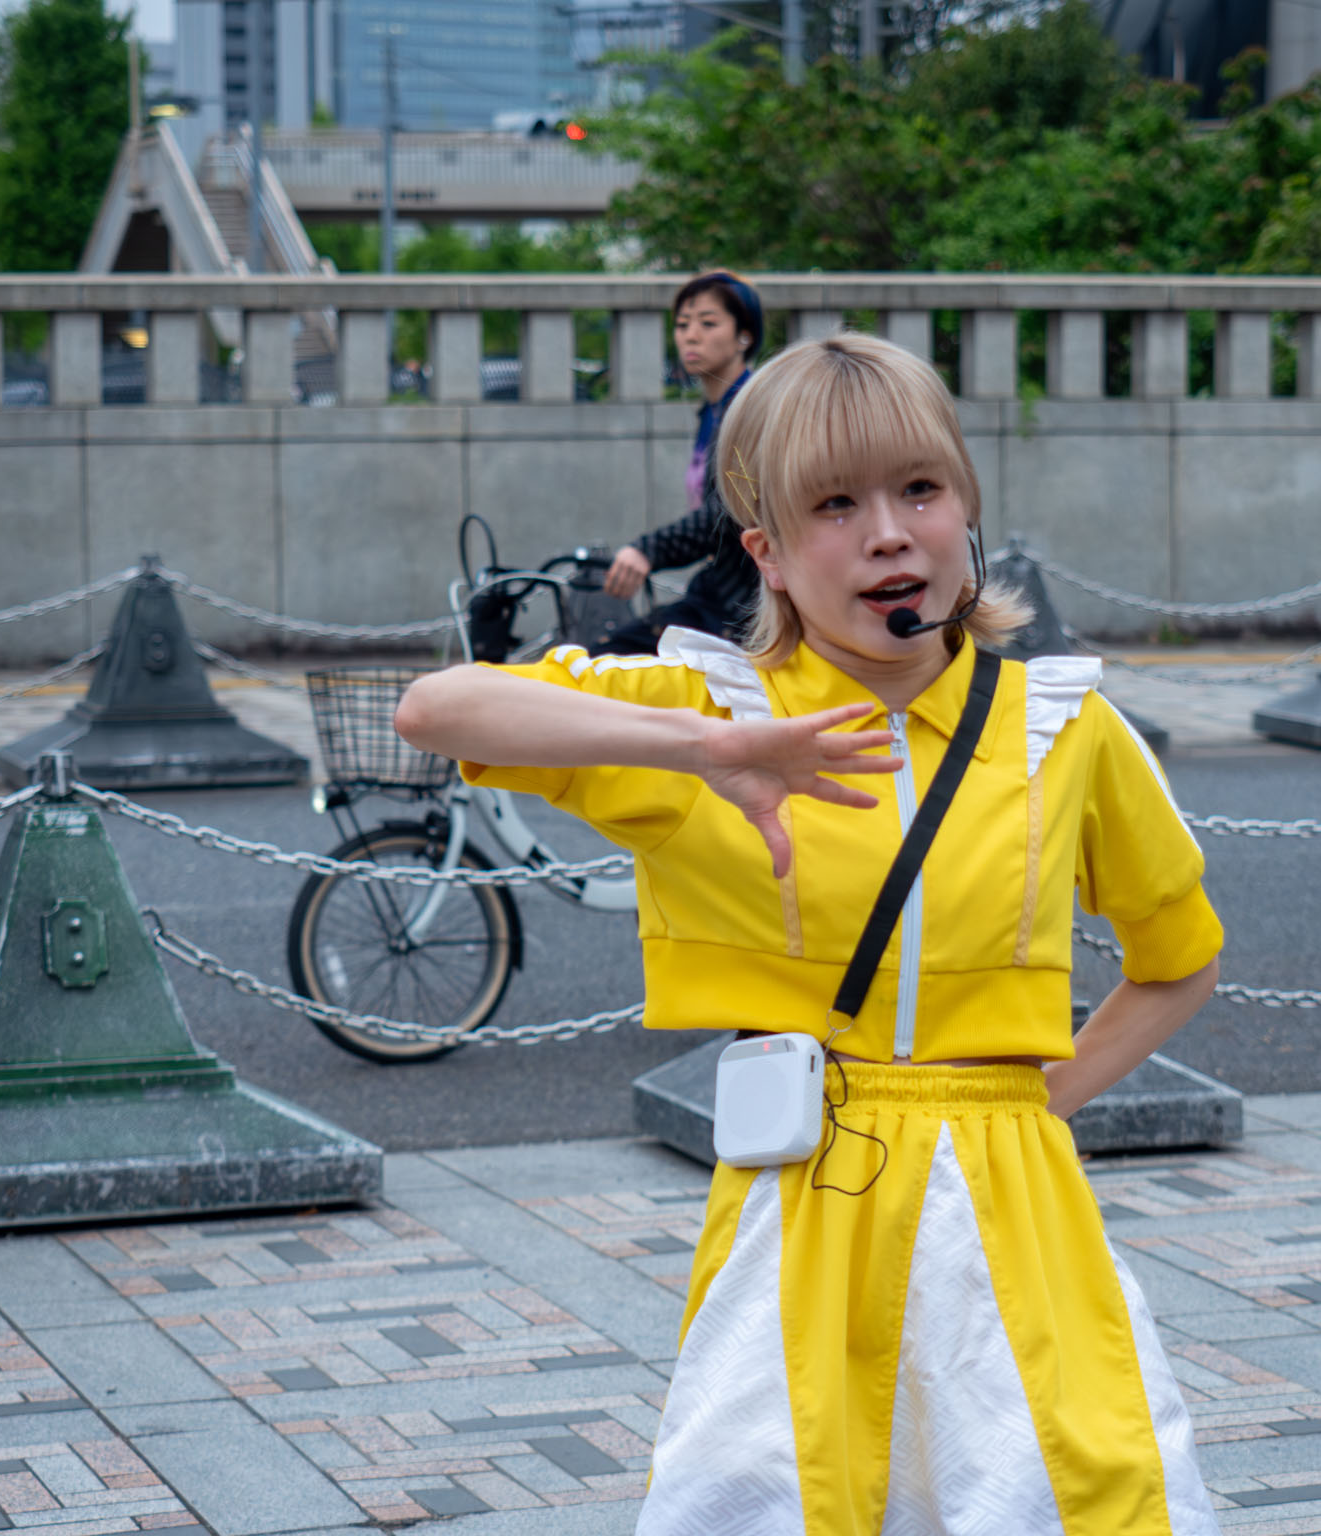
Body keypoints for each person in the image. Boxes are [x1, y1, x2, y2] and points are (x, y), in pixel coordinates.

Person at [395, 333, 1224, 1535]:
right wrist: (705, 752)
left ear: (965, 508)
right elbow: (437, 708)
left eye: (918, 491)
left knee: (1072, 1494)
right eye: (835, 506)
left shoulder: (1064, 728)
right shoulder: (710, 715)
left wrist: (1029, 1108)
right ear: (766, 555)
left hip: (1017, 1207)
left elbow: (1177, 958)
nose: (888, 534)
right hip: (798, 1209)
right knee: (781, 1499)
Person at [592, 270, 764, 654]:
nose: (690, 334)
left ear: (745, 336)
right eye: (683, 324)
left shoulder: (751, 409)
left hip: (747, 606)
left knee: (612, 657)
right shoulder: (713, 411)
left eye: (708, 322)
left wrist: (647, 550)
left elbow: (727, 513)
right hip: (719, 590)